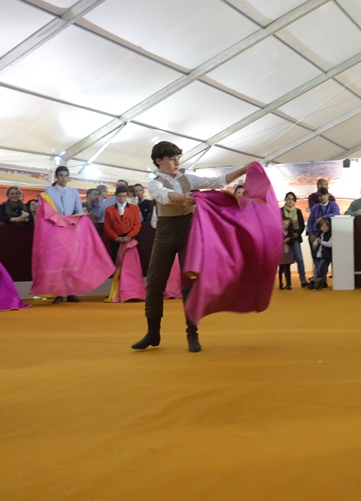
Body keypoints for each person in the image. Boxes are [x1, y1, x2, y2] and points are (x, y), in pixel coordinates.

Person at [132, 141, 251, 353]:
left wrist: (243, 170)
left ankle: (192, 333)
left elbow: (217, 180)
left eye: (178, 157)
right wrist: (186, 197)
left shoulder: (186, 177)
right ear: (159, 160)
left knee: (189, 282)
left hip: (189, 232)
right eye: (171, 158)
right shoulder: (154, 183)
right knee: (154, 283)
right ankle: (153, 331)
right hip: (165, 233)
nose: (177, 162)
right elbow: (165, 196)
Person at [43, 165, 85, 304]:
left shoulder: (74, 192)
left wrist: (74, 219)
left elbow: (78, 210)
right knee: (58, 263)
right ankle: (59, 293)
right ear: (56, 177)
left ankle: (72, 292)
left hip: (71, 230)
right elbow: (46, 211)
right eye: (61, 175)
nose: (63, 178)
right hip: (55, 230)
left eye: (65, 175)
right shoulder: (48, 191)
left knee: (72, 262)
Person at [307, 187, 339, 288]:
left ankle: (315, 279)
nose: (322, 197)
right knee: (317, 258)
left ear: (327, 195)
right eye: (320, 196)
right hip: (316, 234)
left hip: (329, 235)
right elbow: (310, 221)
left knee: (325, 259)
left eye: (323, 195)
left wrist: (324, 217)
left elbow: (336, 214)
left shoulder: (333, 205)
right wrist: (311, 233)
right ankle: (322, 281)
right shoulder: (315, 207)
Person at [103, 185, 142, 263]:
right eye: (119, 196)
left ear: (127, 196)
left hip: (129, 237)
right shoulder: (109, 209)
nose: (122, 199)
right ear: (116, 196)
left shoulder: (134, 208)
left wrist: (129, 236)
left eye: (124, 196)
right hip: (116, 239)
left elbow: (137, 224)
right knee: (116, 259)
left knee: (129, 261)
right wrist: (116, 238)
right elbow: (107, 227)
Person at [280, 192, 308, 288]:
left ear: (295, 201)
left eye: (292, 199)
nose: (290, 201)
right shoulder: (280, 211)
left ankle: (303, 280)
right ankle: (287, 282)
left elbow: (302, 225)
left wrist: (297, 233)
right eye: (288, 198)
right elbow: (277, 225)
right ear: (285, 199)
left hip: (295, 237)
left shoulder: (298, 211)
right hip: (283, 239)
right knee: (284, 261)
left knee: (299, 259)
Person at [310, 218, 332, 290]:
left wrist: (321, 242)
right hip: (318, 255)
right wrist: (317, 242)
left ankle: (319, 282)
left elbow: (330, 244)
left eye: (326, 226)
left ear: (329, 227)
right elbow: (314, 245)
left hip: (325, 256)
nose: (324, 228)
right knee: (318, 269)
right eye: (322, 226)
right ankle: (321, 282)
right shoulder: (320, 234)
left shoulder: (331, 235)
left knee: (320, 269)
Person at [278, 218, 295, 290]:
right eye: (283, 224)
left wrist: (287, 240)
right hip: (280, 253)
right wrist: (284, 240)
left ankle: (288, 284)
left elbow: (291, 243)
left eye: (286, 224)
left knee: (287, 268)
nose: (284, 226)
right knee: (281, 269)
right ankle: (280, 283)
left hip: (288, 253)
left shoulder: (290, 233)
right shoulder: (278, 232)